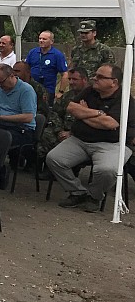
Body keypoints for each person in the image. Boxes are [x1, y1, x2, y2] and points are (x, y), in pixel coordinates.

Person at [48, 63, 134, 213]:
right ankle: (78, 192)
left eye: (100, 77)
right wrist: (99, 114)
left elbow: (110, 123)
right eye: (95, 75)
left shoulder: (125, 99)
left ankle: (94, 197)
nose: (95, 78)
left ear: (113, 82)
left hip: (112, 144)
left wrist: (85, 112)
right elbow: (71, 108)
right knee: (54, 158)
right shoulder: (90, 91)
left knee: (107, 170)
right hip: (80, 140)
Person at [37, 66, 90, 175]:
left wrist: (71, 133)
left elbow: (91, 120)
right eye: (69, 79)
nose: (71, 82)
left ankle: (71, 169)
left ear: (84, 80)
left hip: (80, 133)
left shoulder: (92, 96)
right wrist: (59, 130)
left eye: (75, 79)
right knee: (46, 135)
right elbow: (55, 114)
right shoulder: (67, 96)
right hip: (63, 130)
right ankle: (49, 167)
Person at [0, 63, 38, 154]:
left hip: (21, 129)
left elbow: (28, 117)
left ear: (11, 76)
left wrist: (0, 117)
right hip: (1, 125)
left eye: (1, 82)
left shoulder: (26, 90)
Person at [25, 30, 68, 101]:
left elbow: (65, 74)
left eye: (44, 39)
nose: (41, 41)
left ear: (52, 41)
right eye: (40, 38)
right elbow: (26, 69)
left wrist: (61, 92)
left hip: (48, 90)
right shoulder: (33, 52)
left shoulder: (57, 55)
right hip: (31, 89)